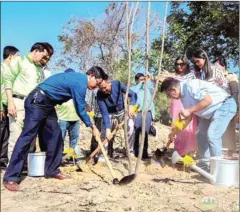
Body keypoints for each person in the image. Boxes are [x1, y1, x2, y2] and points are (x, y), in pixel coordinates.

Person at [3, 66, 107, 191]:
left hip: (48, 105)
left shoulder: (77, 80)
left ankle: (52, 170)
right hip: (37, 101)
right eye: (97, 83)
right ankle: (10, 177)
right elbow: (80, 108)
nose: (96, 87)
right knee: (27, 137)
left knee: (56, 136)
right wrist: (93, 126)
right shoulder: (80, 81)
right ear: (91, 76)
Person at [161, 77, 237, 171]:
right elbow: (188, 117)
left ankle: (218, 169)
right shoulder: (183, 97)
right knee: (200, 135)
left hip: (224, 105)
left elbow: (208, 101)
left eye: (169, 95)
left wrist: (189, 110)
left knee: (213, 135)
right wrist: (175, 132)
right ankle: (205, 165)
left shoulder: (191, 85)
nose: (170, 97)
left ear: (173, 90)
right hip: (210, 113)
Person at [4, 42, 51, 159]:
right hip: (18, 102)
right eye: (43, 56)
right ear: (36, 51)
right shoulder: (19, 61)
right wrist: (10, 102)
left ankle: (25, 165)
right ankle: (12, 167)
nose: (44, 59)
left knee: (30, 136)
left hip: (33, 105)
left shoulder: (39, 68)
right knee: (16, 135)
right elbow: (8, 81)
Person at [97, 77, 137, 161]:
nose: (104, 90)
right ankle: (102, 157)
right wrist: (108, 128)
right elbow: (104, 113)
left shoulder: (117, 84)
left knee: (130, 128)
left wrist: (131, 106)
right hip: (109, 113)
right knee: (104, 133)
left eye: (105, 87)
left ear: (109, 83)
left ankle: (130, 152)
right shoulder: (99, 94)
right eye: (101, 89)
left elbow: (133, 94)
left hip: (123, 111)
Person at [169, 57, 198, 156]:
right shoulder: (172, 77)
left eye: (182, 64)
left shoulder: (192, 75)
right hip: (175, 104)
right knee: (177, 126)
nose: (179, 66)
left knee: (189, 126)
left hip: (187, 103)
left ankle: (189, 151)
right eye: (177, 64)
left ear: (186, 64)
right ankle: (179, 151)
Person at [213, 56, 239, 156]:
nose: (214, 68)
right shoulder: (213, 78)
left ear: (223, 66)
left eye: (216, 66)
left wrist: (235, 108)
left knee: (229, 129)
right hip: (217, 107)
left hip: (230, 106)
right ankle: (217, 154)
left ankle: (230, 155)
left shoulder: (230, 76)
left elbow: (235, 92)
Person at [0, 46, 19, 169]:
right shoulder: (2, 69)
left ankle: (3, 162)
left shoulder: (12, 70)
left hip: (10, 105)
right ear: (11, 56)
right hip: (2, 106)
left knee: (7, 135)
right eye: (17, 56)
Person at [130, 73, 156, 159]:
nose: (143, 81)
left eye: (143, 80)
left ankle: (144, 152)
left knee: (145, 133)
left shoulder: (148, 89)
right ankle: (136, 151)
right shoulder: (134, 89)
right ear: (136, 80)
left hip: (147, 112)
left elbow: (151, 102)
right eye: (140, 80)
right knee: (136, 131)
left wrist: (153, 114)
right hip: (138, 112)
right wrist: (140, 84)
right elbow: (133, 92)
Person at [56, 69, 81, 158]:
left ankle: (72, 157)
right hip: (62, 118)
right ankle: (58, 158)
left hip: (75, 118)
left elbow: (81, 101)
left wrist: (88, 109)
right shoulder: (60, 88)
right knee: (60, 139)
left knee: (74, 139)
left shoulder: (77, 89)